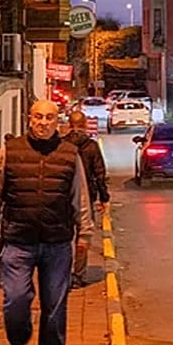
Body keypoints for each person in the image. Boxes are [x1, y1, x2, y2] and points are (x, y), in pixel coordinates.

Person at [0, 99, 96, 345]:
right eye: (38, 117)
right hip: (18, 241)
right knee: (16, 299)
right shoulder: (11, 150)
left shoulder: (70, 154)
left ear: (58, 121)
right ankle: (18, 341)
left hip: (57, 242)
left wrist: (85, 234)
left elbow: (79, 197)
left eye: (49, 117)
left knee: (55, 302)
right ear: (29, 119)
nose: (43, 123)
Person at [65, 110, 111, 287]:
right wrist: (104, 198)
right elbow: (100, 174)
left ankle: (63, 273)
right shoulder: (91, 146)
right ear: (84, 125)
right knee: (83, 237)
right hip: (87, 198)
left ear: (69, 125)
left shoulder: (62, 145)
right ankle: (78, 275)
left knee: (64, 238)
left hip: (64, 198)